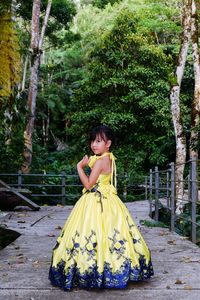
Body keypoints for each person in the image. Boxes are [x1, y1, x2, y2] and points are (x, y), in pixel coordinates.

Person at [49, 124, 154, 291]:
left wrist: (79, 167)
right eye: (92, 141)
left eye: (98, 141)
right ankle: (116, 269)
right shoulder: (110, 158)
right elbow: (97, 166)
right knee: (113, 233)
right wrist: (90, 161)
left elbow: (89, 184)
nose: (94, 145)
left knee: (90, 232)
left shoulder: (100, 161)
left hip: (95, 200)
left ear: (108, 143)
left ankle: (93, 270)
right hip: (110, 200)